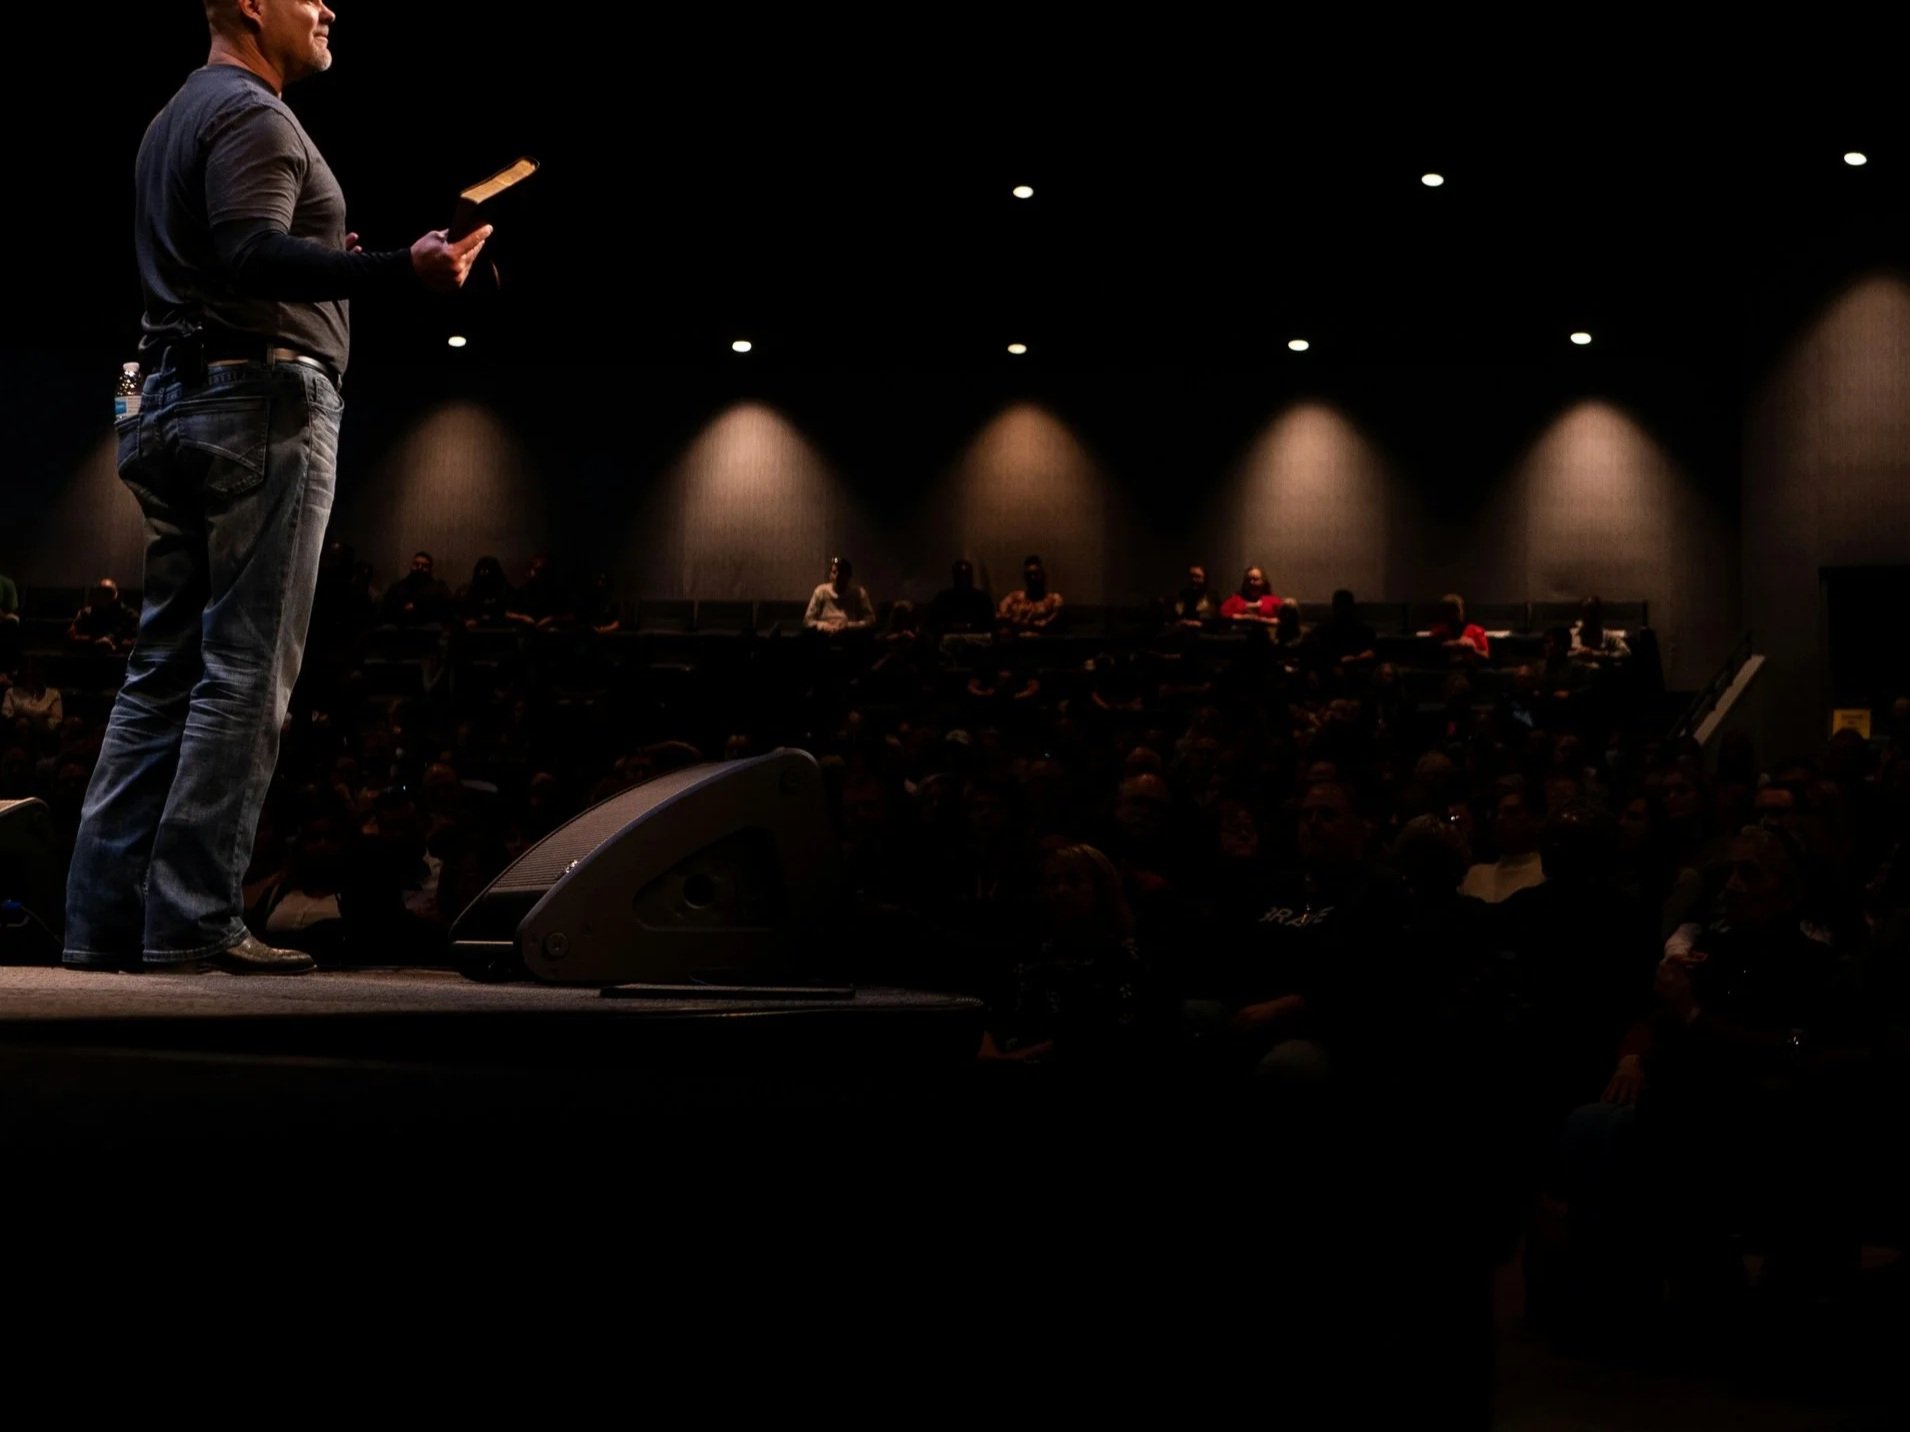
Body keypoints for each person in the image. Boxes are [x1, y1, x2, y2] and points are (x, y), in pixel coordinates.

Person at [62, 0, 491, 976]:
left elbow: (234, 253)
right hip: (257, 405)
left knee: (160, 672)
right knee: (244, 671)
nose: (329, 9)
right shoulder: (255, 113)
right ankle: (190, 922)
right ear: (253, 4)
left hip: (171, 398)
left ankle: (101, 923)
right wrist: (402, 268)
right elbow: (249, 249)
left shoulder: (173, 116)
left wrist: (326, 264)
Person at [803, 556, 875, 633]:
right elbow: (807, 621)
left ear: (849, 576)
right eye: (834, 572)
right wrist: (824, 626)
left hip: (850, 635)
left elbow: (870, 620)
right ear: (830, 575)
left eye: (841, 573)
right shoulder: (821, 591)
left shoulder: (859, 593)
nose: (837, 576)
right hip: (824, 635)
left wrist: (849, 626)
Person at [996, 555, 1064, 636]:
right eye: (1029, 575)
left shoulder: (1054, 600)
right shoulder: (1014, 598)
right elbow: (1000, 616)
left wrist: (1022, 623)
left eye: (1036, 574)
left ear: (1043, 576)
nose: (1032, 578)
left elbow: (1049, 623)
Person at [927, 559, 995, 637]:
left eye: (965, 576)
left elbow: (989, 624)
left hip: (977, 639)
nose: (963, 580)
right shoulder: (943, 598)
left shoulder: (982, 598)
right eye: (960, 576)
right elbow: (933, 623)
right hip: (949, 638)